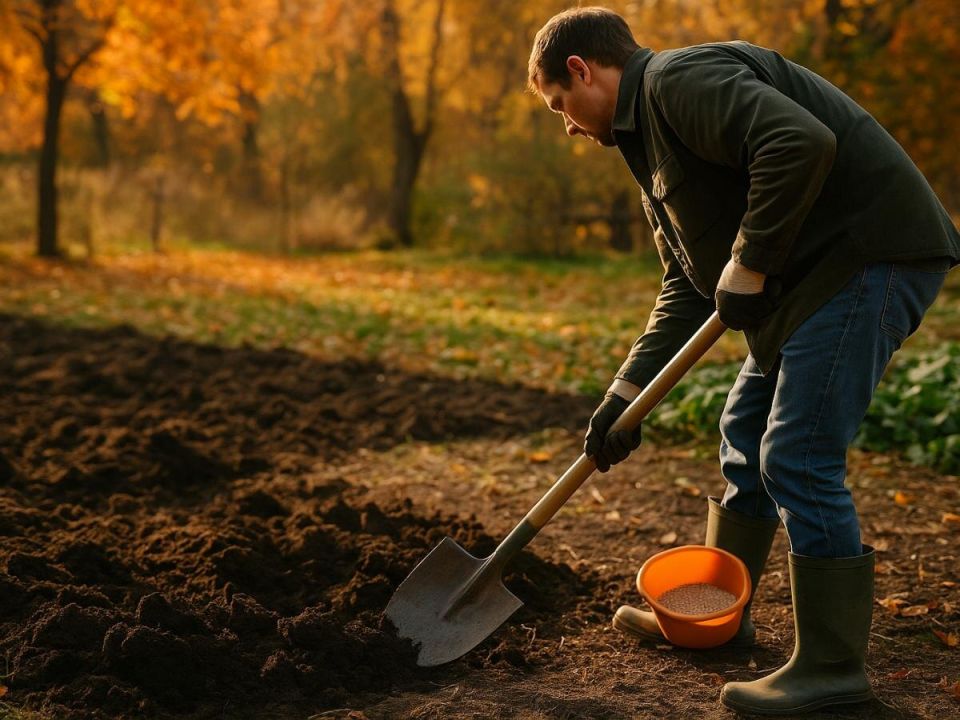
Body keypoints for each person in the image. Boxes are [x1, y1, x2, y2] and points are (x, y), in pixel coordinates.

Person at [527, 6, 960, 716]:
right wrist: (624, 394)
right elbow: (688, 287)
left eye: (560, 106)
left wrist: (751, 261)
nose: (568, 125)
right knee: (744, 432)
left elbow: (798, 141)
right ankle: (718, 617)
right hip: (809, 281)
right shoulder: (648, 146)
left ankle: (832, 672)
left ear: (582, 68)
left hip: (865, 256)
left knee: (797, 452)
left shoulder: (676, 82)